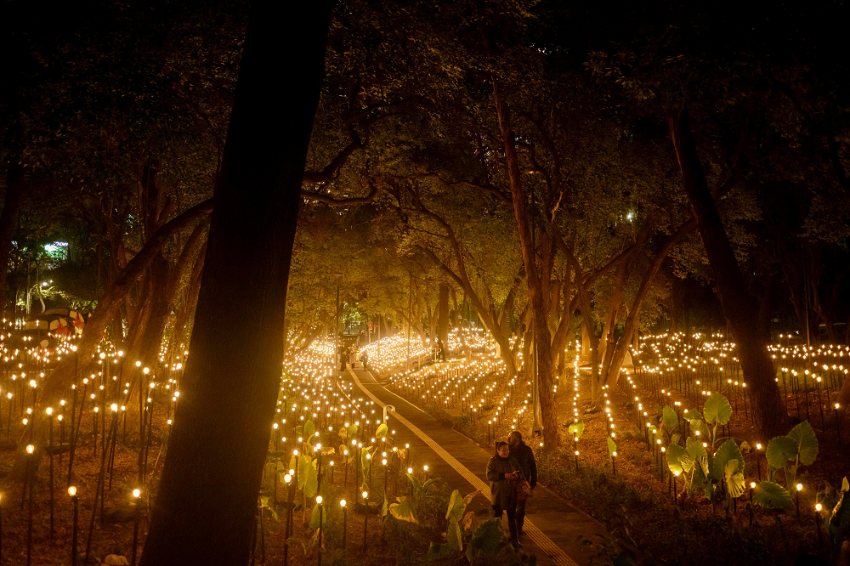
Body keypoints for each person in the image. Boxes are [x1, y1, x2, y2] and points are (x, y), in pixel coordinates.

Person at [485, 440, 521, 547]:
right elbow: (489, 475)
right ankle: (497, 541)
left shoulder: (512, 460)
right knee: (497, 519)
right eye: (503, 450)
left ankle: (515, 540)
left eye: (507, 449)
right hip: (498, 494)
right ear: (498, 450)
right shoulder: (493, 461)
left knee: (512, 518)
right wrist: (504, 476)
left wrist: (517, 475)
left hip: (511, 494)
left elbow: (520, 471)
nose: (506, 452)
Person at [508, 430, 537, 537]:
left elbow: (533, 466)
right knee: (517, 506)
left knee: (519, 506)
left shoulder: (525, 450)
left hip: (521, 482)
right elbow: (533, 466)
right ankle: (516, 528)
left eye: (513, 438)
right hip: (512, 482)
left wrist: (533, 481)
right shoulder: (508, 450)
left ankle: (517, 528)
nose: (512, 440)